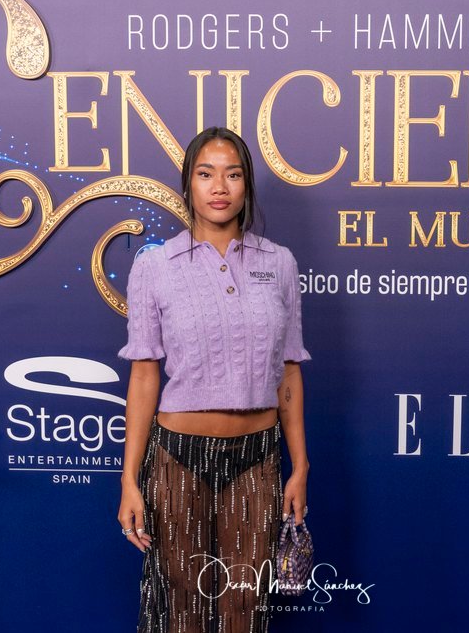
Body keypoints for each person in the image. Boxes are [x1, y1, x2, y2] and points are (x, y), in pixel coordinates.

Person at [116, 127, 311, 633]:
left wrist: (300, 465)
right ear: (188, 184)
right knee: (182, 608)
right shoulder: (155, 265)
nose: (219, 186)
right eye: (206, 174)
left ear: (247, 186)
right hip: (178, 455)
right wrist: (129, 480)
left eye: (232, 174)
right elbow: (144, 374)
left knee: (246, 609)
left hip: (258, 457)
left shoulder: (279, 263)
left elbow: (289, 370)